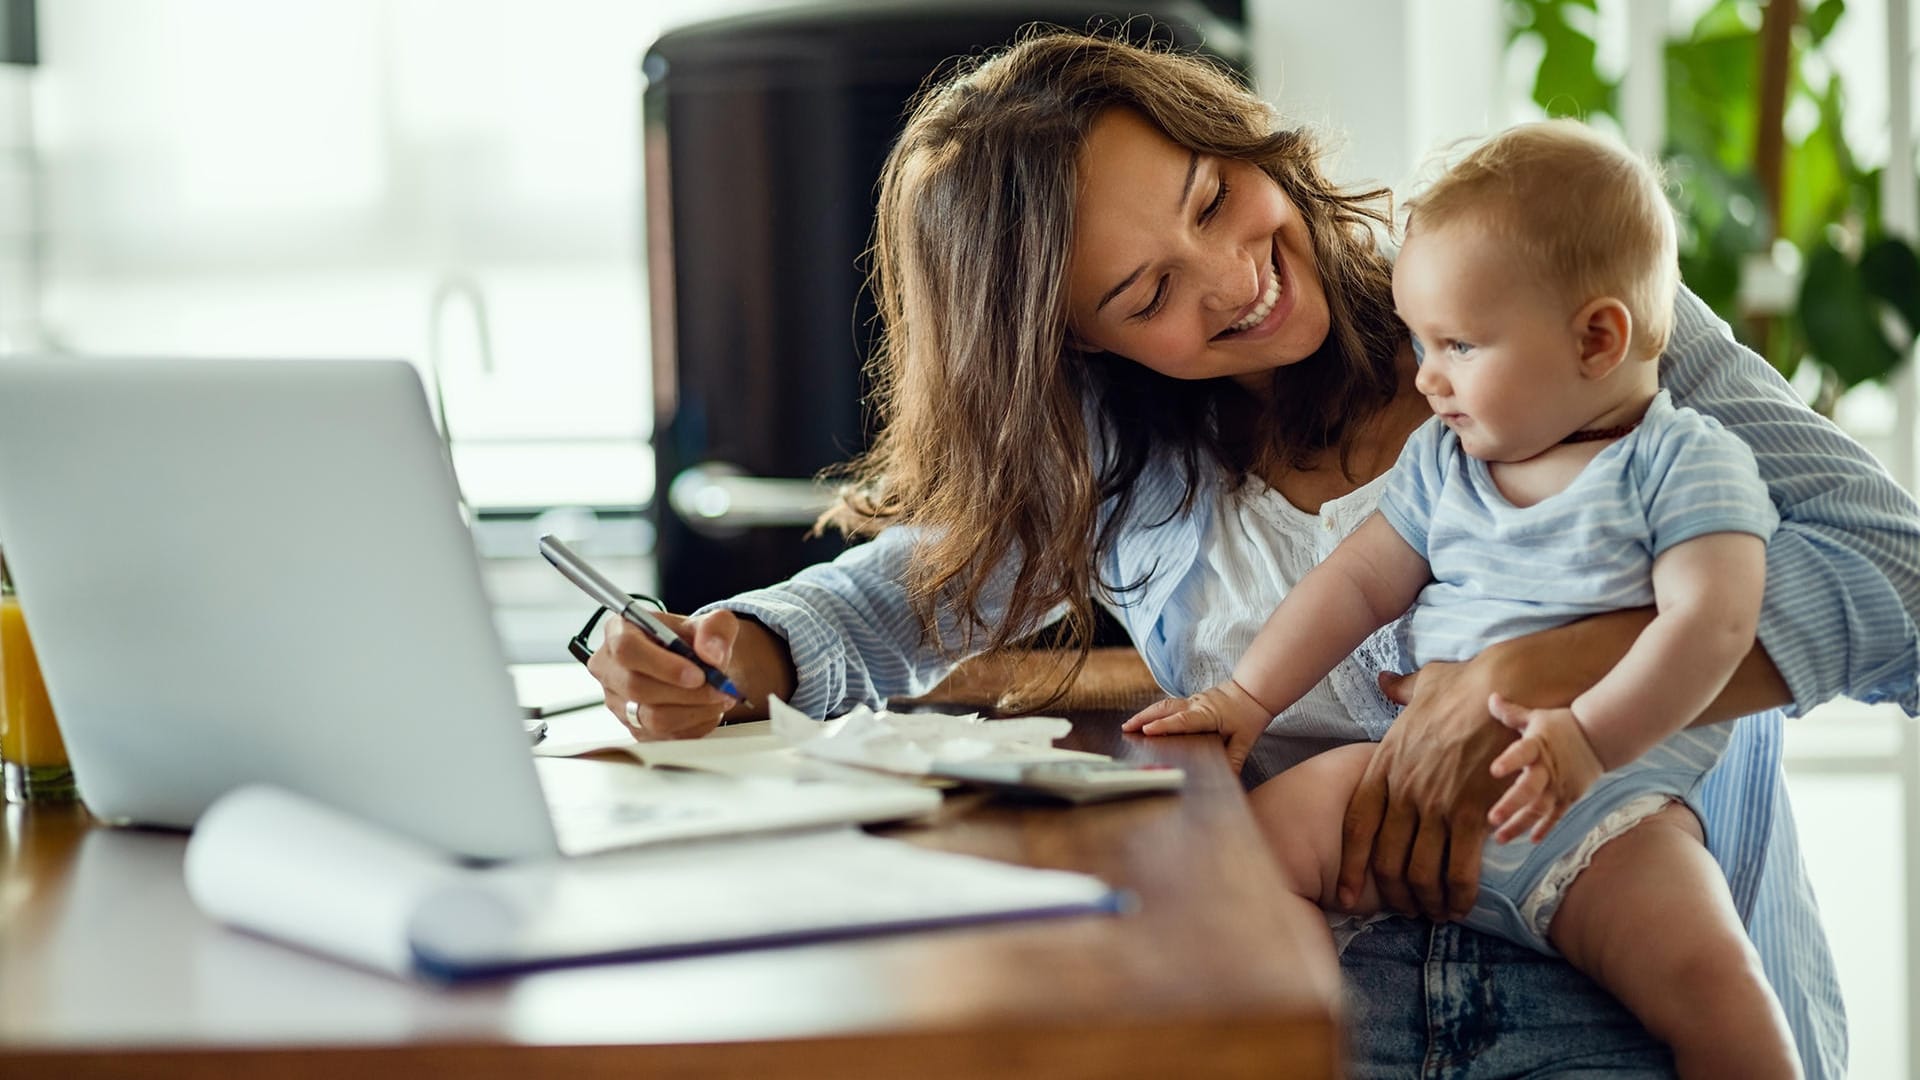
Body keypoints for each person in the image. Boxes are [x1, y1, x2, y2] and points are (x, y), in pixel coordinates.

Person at [587, 29, 1920, 1078]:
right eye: (1146, 294)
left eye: (1215, 199)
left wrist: (1548, 667)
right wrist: (735, 649)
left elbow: (1900, 584)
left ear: (1238, 138)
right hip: (1334, 1009)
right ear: (1078, 347)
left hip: (1632, 991)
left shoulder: (1553, 299)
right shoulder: (1124, 461)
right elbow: (900, 596)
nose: (1231, 278)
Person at [1123, 120, 1796, 1076]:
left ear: (1596, 338)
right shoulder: (1446, 461)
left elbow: (1716, 626)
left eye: (1458, 345)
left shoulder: (1682, 464)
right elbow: (1355, 582)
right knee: (1238, 864)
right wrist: (1245, 699)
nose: (1426, 376)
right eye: (1418, 340)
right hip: (1403, 781)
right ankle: (1309, 1044)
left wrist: (1589, 737)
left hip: (1608, 816)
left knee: (1716, 985)